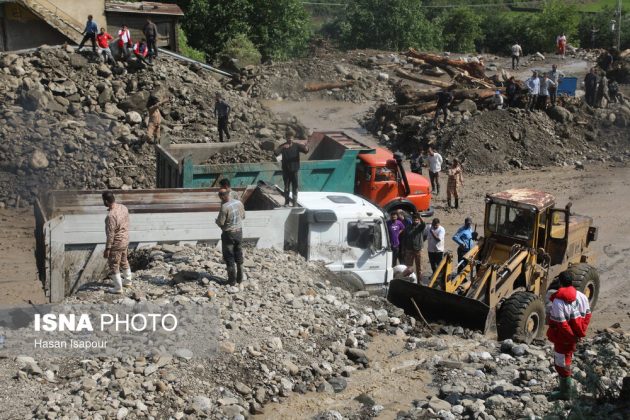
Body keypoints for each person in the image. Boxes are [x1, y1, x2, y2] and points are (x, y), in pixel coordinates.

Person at [546, 271, 591, 400]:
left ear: (560, 283)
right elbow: (587, 316)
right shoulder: (582, 296)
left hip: (563, 338)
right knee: (567, 359)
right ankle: (566, 387)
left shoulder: (558, 301)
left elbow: (562, 324)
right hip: (573, 336)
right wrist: (580, 333)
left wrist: (572, 338)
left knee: (561, 364)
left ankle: (565, 392)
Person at [102, 192, 131, 294]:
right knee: (124, 260)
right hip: (126, 239)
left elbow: (110, 235)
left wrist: (107, 249)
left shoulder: (111, 216)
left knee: (114, 264)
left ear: (106, 201)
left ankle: (118, 288)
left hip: (117, 242)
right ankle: (127, 281)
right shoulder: (123, 207)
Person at [215, 188, 245, 285]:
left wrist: (216, 221)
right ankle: (240, 279)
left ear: (222, 196)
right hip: (239, 232)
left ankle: (231, 281)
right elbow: (243, 216)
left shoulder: (224, 207)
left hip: (229, 234)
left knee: (229, 257)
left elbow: (221, 222)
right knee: (239, 255)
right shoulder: (239, 203)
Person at [275, 127, 309, 207]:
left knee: (295, 187)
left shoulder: (297, 146)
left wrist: (306, 147)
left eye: (291, 138)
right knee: (286, 187)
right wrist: (283, 147)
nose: (290, 139)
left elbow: (305, 151)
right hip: (286, 171)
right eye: (288, 138)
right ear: (286, 138)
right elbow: (276, 153)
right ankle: (286, 203)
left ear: (293, 138)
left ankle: (294, 203)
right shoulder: (283, 146)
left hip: (294, 170)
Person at [399, 213, 426, 283]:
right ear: (412, 220)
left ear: (419, 220)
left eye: (417, 220)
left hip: (418, 250)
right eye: (414, 220)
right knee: (408, 267)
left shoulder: (420, 227)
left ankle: (420, 282)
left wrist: (420, 217)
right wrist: (403, 249)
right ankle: (408, 281)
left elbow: (424, 224)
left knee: (419, 267)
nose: (415, 221)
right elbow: (404, 239)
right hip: (409, 250)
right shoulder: (408, 228)